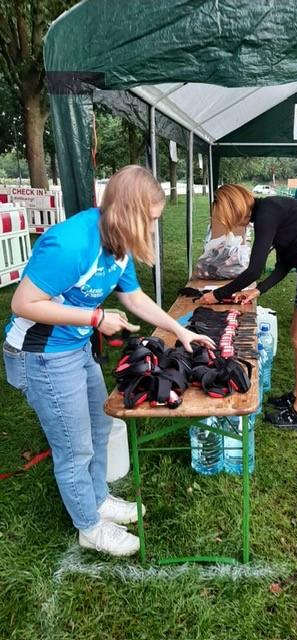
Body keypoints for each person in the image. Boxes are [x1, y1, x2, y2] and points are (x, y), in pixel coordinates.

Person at [3, 166, 215, 557]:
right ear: (130, 212)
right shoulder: (70, 243)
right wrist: (95, 318)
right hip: (42, 355)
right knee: (74, 447)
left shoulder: (118, 244)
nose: (153, 227)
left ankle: (98, 500)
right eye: (151, 218)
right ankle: (89, 526)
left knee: (100, 425)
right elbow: (23, 303)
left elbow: (133, 298)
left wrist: (180, 332)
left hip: (75, 348)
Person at [198, 185, 297, 431]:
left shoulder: (268, 212)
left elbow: (254, 270)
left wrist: (217, 295)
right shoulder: (270, 211)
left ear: (237, 208)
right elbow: (285, 261)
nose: (235, 224)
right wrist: (259, 290)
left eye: (231, 217)